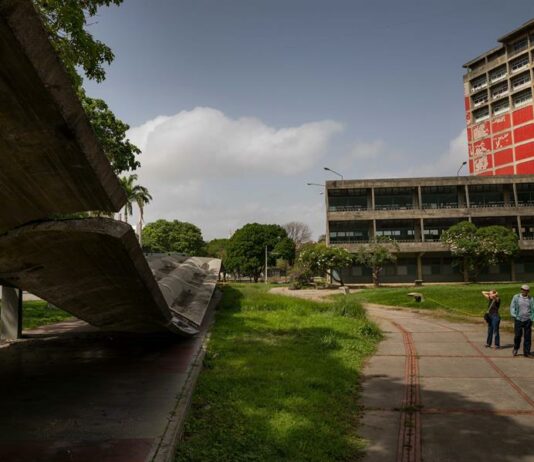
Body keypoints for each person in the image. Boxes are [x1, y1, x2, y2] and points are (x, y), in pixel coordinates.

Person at [510, 284, 534, 357]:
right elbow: (512, 306)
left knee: (527, 337)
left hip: (528, 320)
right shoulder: (516, 297)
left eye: (526, 290)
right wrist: (514, 315)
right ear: (521, 290)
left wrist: (532, 318)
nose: (524, 291)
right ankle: (516, 348)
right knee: (517, 335)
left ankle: (526, 352)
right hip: (518, 319)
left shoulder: (531, 299)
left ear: (528, 291)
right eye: (523, 290)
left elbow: (533, 308)